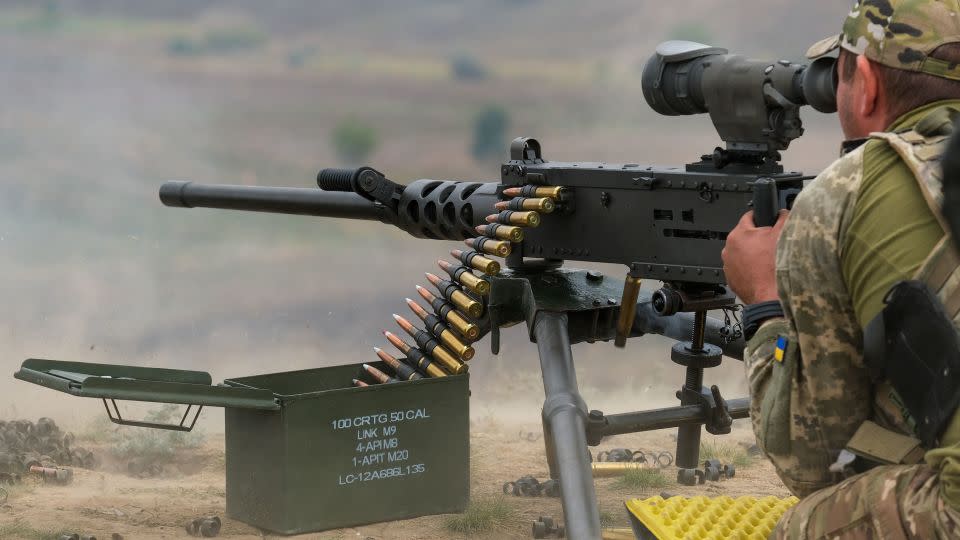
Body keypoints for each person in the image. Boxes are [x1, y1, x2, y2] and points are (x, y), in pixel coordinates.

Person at [721, 1, 960, 537]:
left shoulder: (844, 192)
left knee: (807, 522)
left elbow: (811, 459)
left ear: (867, 85)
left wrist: (764, 302)